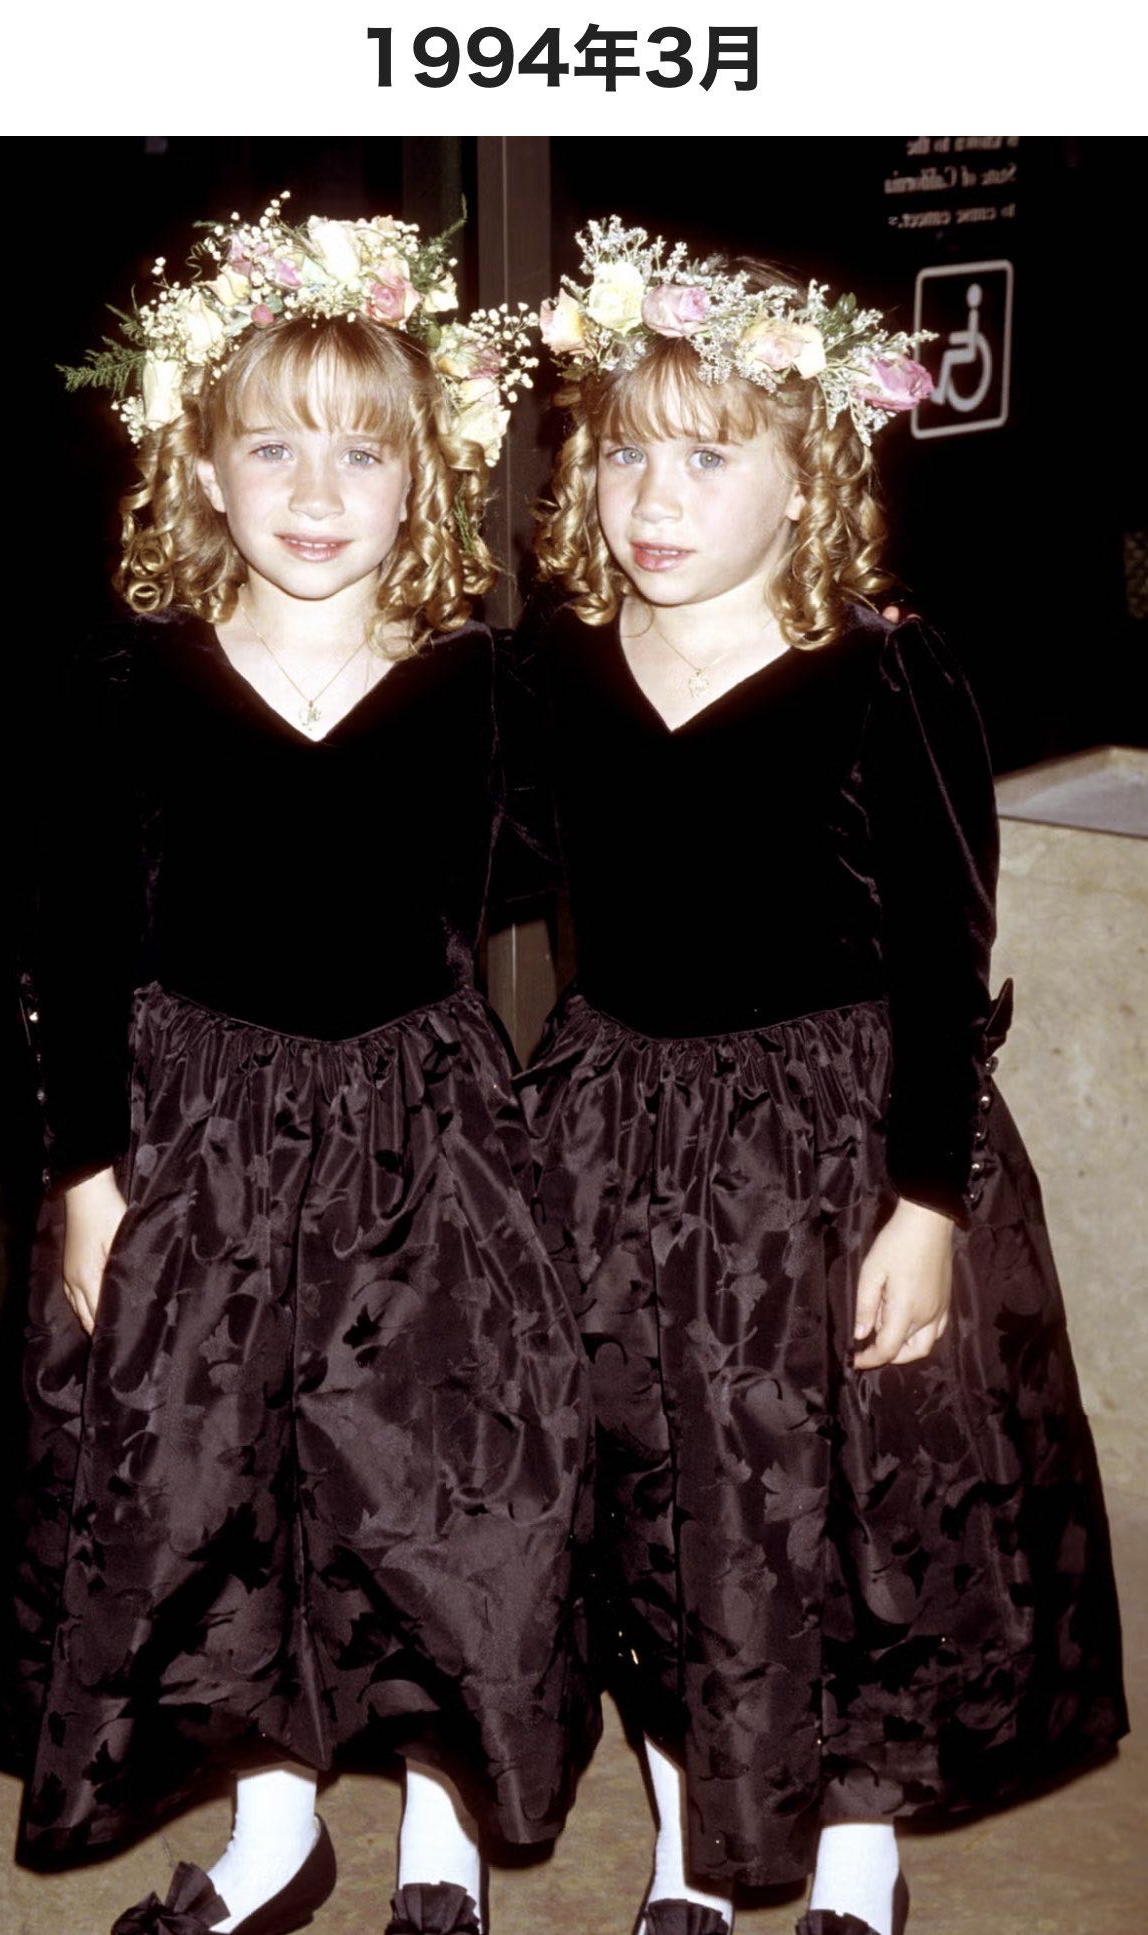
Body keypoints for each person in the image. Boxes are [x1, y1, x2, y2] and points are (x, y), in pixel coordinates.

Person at [0, 196, 597, 1935]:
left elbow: (644, 888)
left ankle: (439, 1829)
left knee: (437, 1482)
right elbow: (72, 947)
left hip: (427, 1140)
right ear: (201, 466)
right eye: (272, 447)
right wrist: (86, 1179)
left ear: (424, 481)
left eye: (359, 453)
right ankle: (275, 1824)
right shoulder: (128, 682)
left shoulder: (493, 689)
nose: (315, 492)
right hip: (195, 1139)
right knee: (218, 1484)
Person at [512, 218, 1128, 1935]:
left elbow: (942, 960)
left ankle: (858, 1849)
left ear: (806, 480)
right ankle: (688, 1842)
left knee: (855, 1506)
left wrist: (924, 1205)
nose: (653, 498)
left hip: (835, 1144)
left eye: (708, 459)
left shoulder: (883, 669)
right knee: (649, 1499)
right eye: (623, 453)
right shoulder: (555, 665)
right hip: (616, 1135)